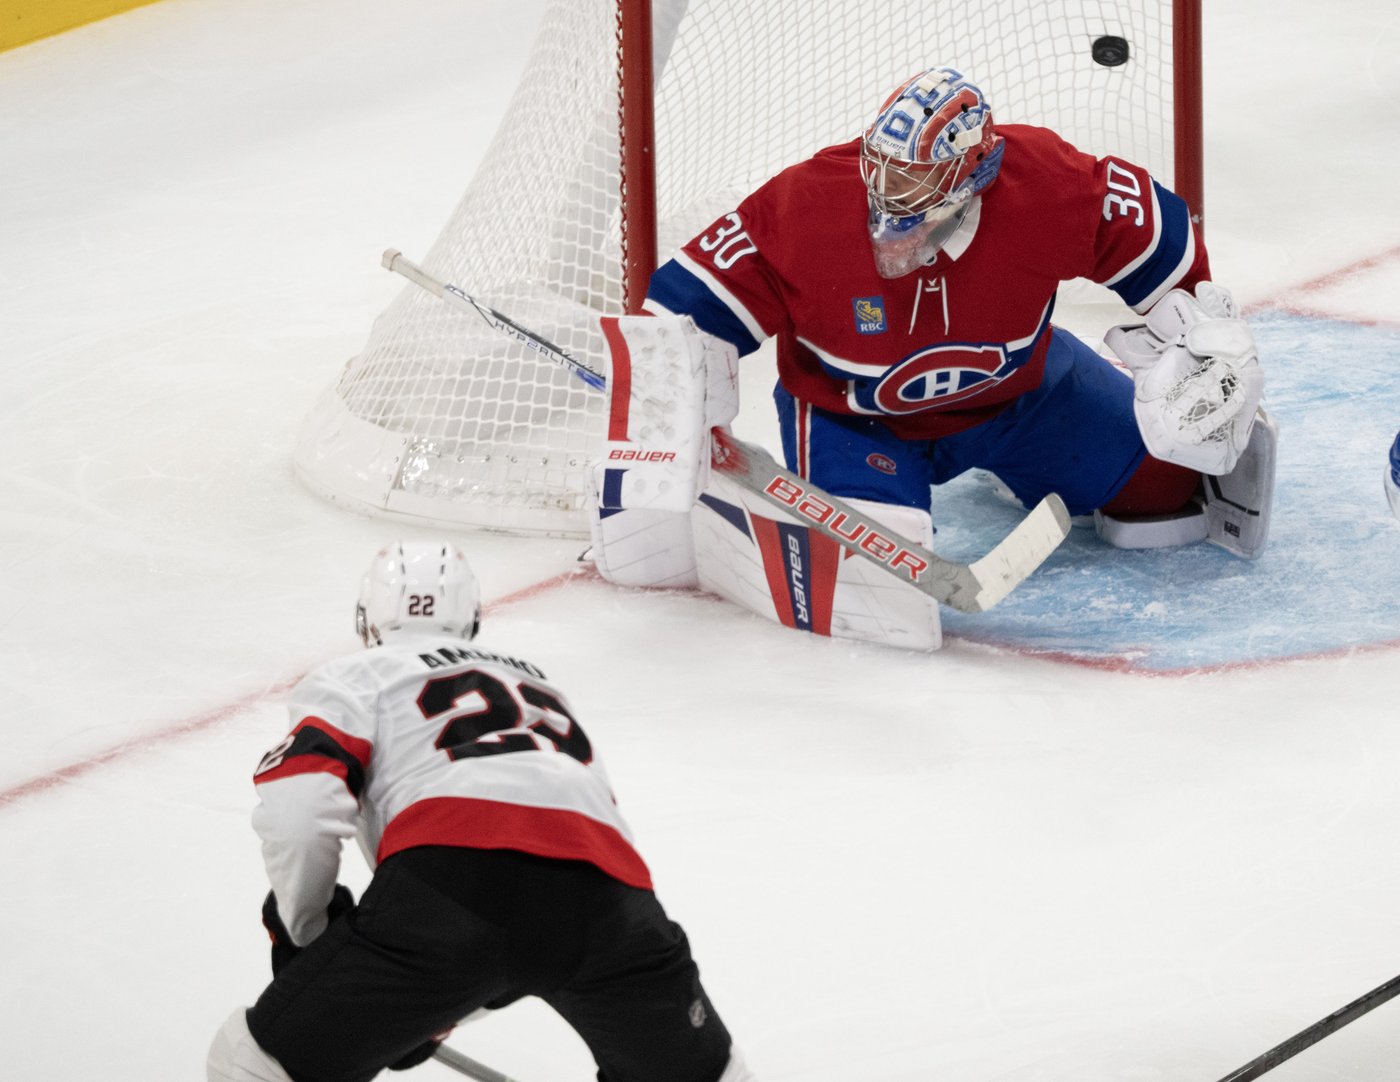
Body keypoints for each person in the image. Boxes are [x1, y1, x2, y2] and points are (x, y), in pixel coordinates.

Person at [585, 66, 1277, 649]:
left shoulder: (1044, 183)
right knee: (874, 598)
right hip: (856, 419)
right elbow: (681, 316)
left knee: (1167, 489)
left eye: (913, 180)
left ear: (977, 171)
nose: (888, 194)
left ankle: (1019, 465)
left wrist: (1199, 330)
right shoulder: (805, 206)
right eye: (883, 170)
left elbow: (1152, 234)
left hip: (1020, 395)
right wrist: (672, 421)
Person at [208, 541, 753, 1082]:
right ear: (470, 617)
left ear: (367, 617)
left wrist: (309, 937)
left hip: (451, 888)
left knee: (251, 1065)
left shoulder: (356, 675)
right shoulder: (540, 684)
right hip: (610, 899)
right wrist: (428, 1013)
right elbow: (528, 924)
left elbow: (300, 813)